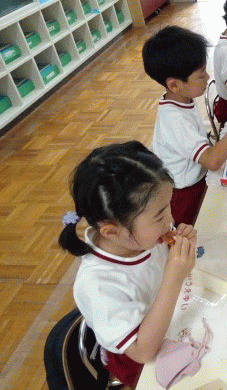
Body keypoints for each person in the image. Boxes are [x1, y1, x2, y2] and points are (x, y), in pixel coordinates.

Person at [58, 141, 198, 387]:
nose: (171, 220)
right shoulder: (97, 285)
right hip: (140, 362)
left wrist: (180, 248)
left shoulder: (140, 238)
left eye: (168, 207)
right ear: (112, 231)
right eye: (159, 216)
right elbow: (143, 352)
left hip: (172, 320)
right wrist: (173, 278)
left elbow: (156, 271)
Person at [143, 26, 227, 226]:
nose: (207, 77)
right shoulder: (174, 119)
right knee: (201, 233)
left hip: (197, 179)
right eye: (201, 74)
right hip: (185, 195)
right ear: (174, 85)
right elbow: (212, 161)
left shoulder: (182, 99)